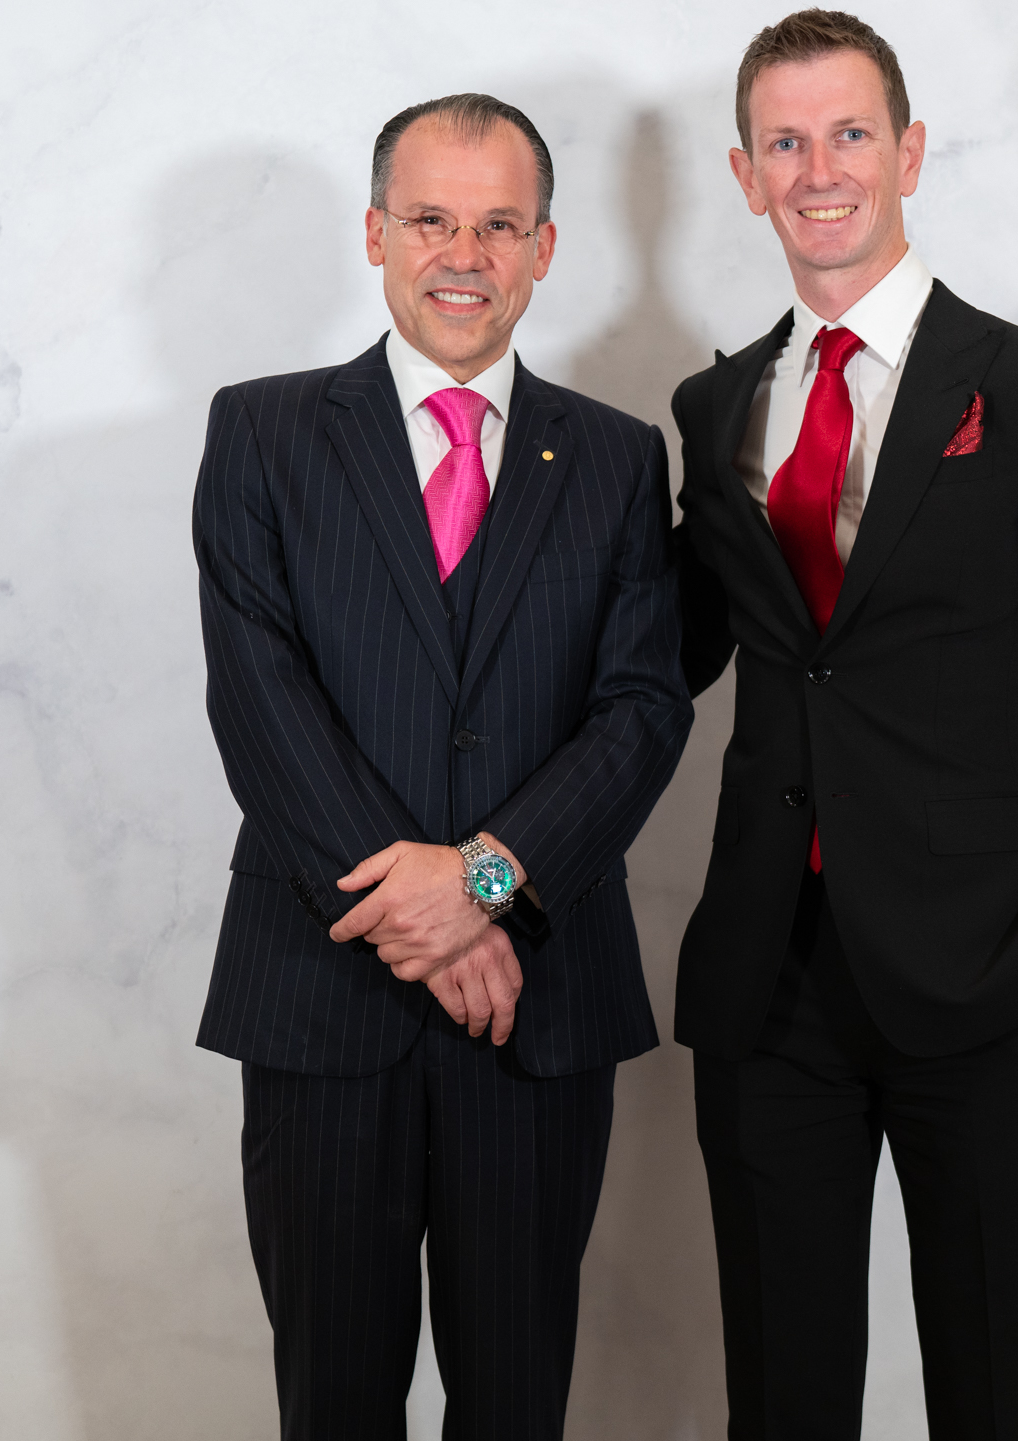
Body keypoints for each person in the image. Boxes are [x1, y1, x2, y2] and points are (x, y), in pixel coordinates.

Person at [671, 12, 1018, 1438]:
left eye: (849, 134)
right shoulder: (713, 406)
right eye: (785, 143)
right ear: (746, 175)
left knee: (996, 1392)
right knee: (783, 1400)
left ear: (908, 153)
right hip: (768, 981)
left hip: (989, 971)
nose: (819, 169)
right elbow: (669, 661)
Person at [190, 93, 691, 1440]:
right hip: (322, 995)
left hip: (539, 1007)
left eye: (498, 225)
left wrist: (486, 881)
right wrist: (424, 913)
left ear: (543, 249)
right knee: (334, 1402)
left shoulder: (617, 460)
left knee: (516, 1402)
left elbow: (643, 709)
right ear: (376, 234)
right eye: (429, 219)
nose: (462, 255)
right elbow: (259, 701)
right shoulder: (263, 434)